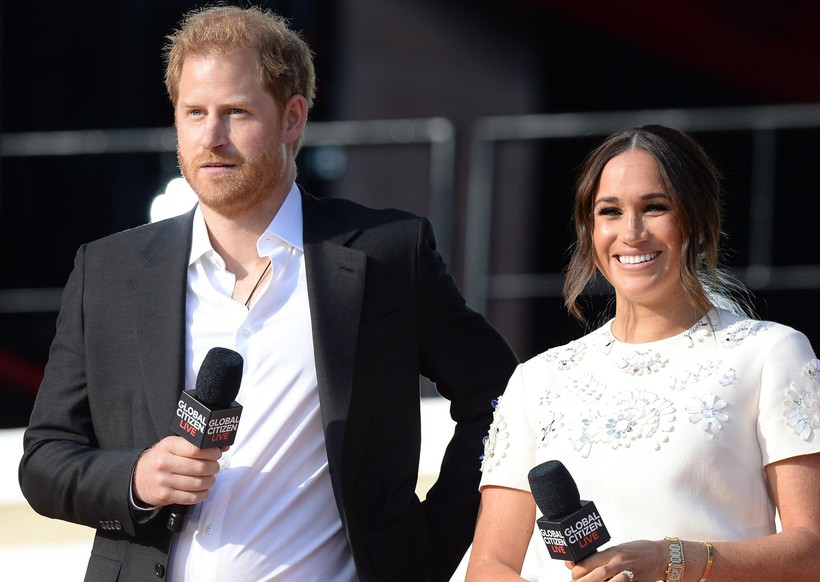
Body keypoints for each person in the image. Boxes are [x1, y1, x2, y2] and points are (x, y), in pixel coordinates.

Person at [19, 5, 518, 581]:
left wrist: (422, 551)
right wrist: (136, 480)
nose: (212, 137)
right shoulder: (108, 270)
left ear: (293, 117)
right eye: (195, 112)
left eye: (236, 112)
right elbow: (46, 461)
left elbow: (503, 399)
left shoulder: (387, 253)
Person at [465, 125, 820, 582]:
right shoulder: (538, 380)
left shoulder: (769, 354)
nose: (631, 232)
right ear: (590, 230)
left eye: (655, 207)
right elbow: (490, 566)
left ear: (698, 220)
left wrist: (671, 560)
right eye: (610, 211)